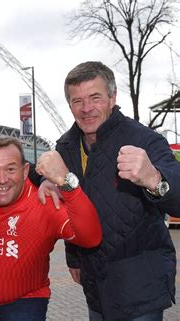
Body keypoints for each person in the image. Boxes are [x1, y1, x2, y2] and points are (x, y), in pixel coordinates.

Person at [39, 61, 180, 321]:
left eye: (95, 97)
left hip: (141, 285)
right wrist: (74, 258)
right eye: (77, 101)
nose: (86, 108)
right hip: (95, 284)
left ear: (113, 97)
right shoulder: (66, 146)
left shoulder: (144, 139)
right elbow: (72, 207)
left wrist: (154, 178)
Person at [0, 137, 102, 321]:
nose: (1, 179)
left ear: (25, 171)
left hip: (26, 302)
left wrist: (68, 185)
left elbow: (91, 237)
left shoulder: (45, 202)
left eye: (10, 169)